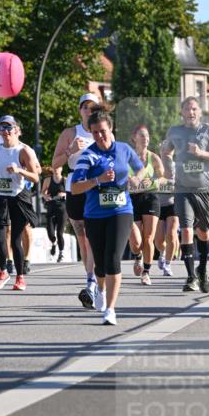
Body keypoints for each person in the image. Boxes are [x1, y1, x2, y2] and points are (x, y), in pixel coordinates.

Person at [71, 109, 146, 325]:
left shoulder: (123, 149)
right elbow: (75, 188)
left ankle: (111, 309)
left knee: (113, 259)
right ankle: (101, 291)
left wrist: (135, 179)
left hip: (121, 211)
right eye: (94, 133)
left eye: (102, 131)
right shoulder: (88, 155)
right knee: (101, 265)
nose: (99, 136)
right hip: (94, 214)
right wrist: (98, 180)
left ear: (110, 129)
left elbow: (140, 170)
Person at [161, 96, 209, 294]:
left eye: (195, 109)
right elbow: (166, 152)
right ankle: (190, 277)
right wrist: (168, 166)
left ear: (200, 112)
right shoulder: (174, 131)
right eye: (187, 109)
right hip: (182, 189)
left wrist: (201, 153)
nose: (191, 112)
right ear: (181, 112)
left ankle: (203, 270)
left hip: (204, 189)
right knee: (187, 229)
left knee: (204, 233)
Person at [52, 93, 100, 308]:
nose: (89, 111)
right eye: (85, 107)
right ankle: (91, 279)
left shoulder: (104, 130)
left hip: (97, 187)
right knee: (82, 239)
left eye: (92, 107)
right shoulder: (70, 133)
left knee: (93, 238)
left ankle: (92, 284)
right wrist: (70, 150)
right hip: (74, 186)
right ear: (80, 110)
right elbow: (55, 163)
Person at [0, 116, 40, 291]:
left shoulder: (24, 151)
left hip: (18, 197)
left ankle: (20, 277)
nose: (6, 131)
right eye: (2, 128)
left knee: (16, 238)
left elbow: (36, 177)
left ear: (17, 130)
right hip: (1, 197)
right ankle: (3, 271)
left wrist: (19, 170)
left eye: (9, 128)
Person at [127, 125, 164, 286]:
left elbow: (164, 178)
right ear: (134, 138)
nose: (146, 139)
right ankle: (137, 256)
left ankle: (147, 272)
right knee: (136, 242)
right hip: (131, 199)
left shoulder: (154, 158)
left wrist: (155, 181)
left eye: (147, 136)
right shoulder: (127, 157)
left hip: (150, 198)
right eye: (142, 135)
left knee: (149, 238)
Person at [154, 164, 178, 277]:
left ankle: (168, 264)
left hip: (173, 205)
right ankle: (162, 253)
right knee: (158, 240)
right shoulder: (155, 166)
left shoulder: (176, 166)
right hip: (158, 206)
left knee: (171, 235)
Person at [42, 166, 67, 261]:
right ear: (52, 169)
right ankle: (53, 242)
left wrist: (64, 194)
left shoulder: (65, 180)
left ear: (61, 169)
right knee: (50, 232)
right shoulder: (48, 180)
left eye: (58, 167)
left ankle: (61, 253)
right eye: (54, 168)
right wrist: (45, 195)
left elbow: (71, 192)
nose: (56, 169)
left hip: (62, 209)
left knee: (60, 232)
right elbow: (43, 191)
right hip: (51, 207)